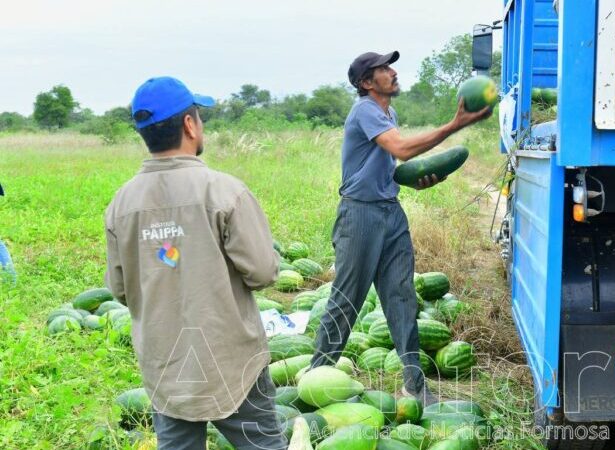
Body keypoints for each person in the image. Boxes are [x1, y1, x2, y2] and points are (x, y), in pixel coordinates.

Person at [105, 76, 284, 450]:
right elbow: (263, 272)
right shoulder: (225, 191)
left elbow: (120, 290)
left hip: (166, 366)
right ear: (189, 125)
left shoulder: (121, 205)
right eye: (199, 117)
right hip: (232, 364)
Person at [310, 51, 491, 405]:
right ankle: (318, 375)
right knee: (347, 299)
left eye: (391, 66)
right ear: (366, 83)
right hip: (360, 215)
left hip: (390, 212)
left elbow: (387, 164)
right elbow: (402, 149)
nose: (393, 72)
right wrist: (454, 126)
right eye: (383, 69)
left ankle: (414, 385)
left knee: (402, 297)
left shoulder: (386, 113)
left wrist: (414, 181)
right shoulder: (364, 109)